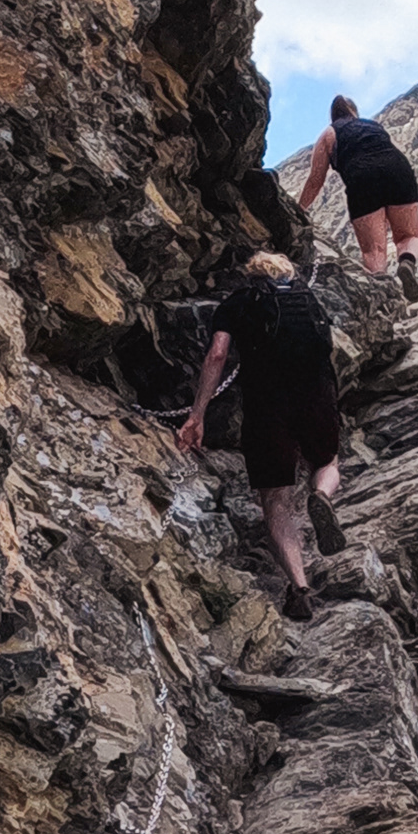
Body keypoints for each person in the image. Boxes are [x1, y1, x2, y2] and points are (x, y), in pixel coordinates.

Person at [178, 249, 347, 610]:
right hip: (316, 393)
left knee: (276, 500)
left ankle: (299, 589)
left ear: (251, 275)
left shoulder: (237, 303)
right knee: (328, 461)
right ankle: (322, 497)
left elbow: (218, 355)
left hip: (266, 405)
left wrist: (197, 415)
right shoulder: (308, 299)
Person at [287, 95, 418, 287]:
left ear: (333, 115)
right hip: (398, 170)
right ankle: (407, 263)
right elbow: (396, 150)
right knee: (408, 236)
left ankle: (382, 289)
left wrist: (299, 208)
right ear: (354, 111)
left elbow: (315, 179)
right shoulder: (374, 126)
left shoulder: (329, 133)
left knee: (374, 251)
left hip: (363, 179)